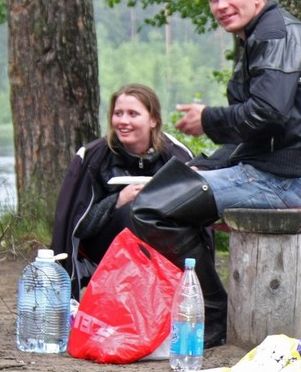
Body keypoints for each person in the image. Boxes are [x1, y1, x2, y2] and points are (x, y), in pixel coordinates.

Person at [129, 0, 301, 347]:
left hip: (282, 183)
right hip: (271, 173)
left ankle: (213, 313)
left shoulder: (276, 36)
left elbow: (267, 113)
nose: (221, 5)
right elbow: (263, 131)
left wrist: (208, 120)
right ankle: (203, 309)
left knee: (149, 207)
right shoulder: (262, 36)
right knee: (167, 190)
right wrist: (205, 163)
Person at [50, 83, 199, 299]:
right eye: (118, 114)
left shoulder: (177, 157)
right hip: (104, 250)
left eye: (133, 114)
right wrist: (117, 201)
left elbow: (196, 218)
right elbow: (76, 227)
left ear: (153, 120)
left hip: (164, 249)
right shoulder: (94, 158)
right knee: (130, 210)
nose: (123, 121)